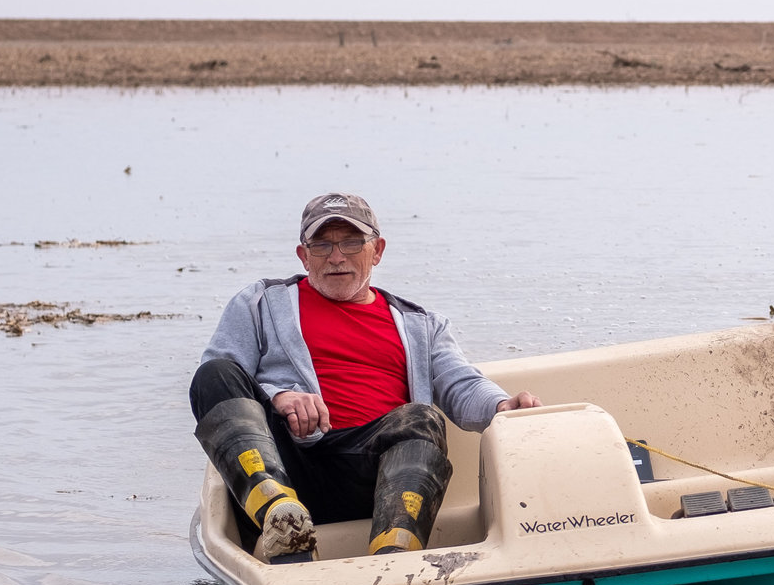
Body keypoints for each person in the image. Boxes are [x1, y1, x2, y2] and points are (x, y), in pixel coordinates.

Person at [190, 192, 538, 562]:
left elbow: (461, 383)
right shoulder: (260, 303)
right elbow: (223, 379)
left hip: (375, 479)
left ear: (378, 250)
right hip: (289, 463)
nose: (336, 256)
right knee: (213, 374)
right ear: (303, 255)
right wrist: (279, 396)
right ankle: (279, 517)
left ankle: (394, 553)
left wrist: (502, 405)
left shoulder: (422, 325)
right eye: (321, 244)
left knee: (421, 416)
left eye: (352, 242)